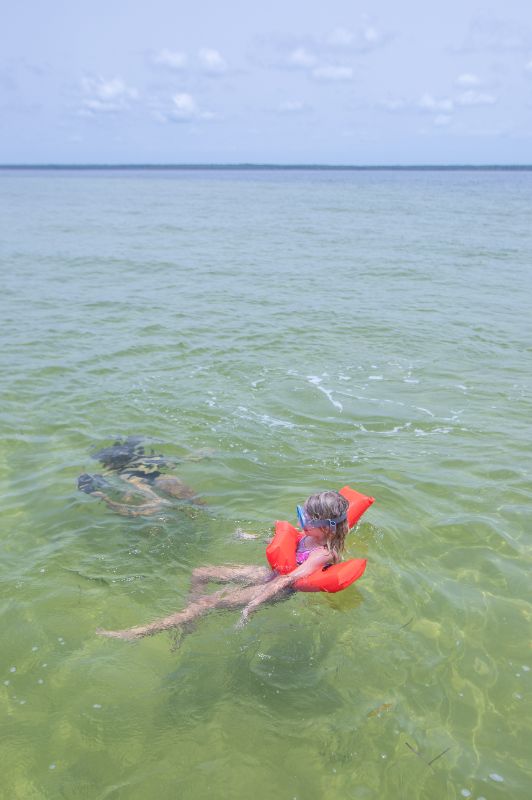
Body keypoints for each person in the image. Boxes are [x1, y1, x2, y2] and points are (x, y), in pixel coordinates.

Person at [96, 489, 349, 640]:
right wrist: (248, 536)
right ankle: (190, 621)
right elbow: (289, 538)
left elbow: (288, 579)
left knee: (208, 602)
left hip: (278, 588)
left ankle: (138, 633)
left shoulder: (322, 554)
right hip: (269, 574)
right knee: (201, 573)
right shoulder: (311, 534)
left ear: (325, 526)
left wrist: (251, 606)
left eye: (305, 518)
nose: (301, 520)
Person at [77, 436, 202, 517]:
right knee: (174, 484)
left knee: (127, 493)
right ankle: (202, 509)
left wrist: (83, 476)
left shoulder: (115, 474)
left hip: (134, 484)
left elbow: (90, 488)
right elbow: (179, 460)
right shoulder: (147, 459)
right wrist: (198, 454)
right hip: (157, 475)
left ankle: (156, 504)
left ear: (107, 463)